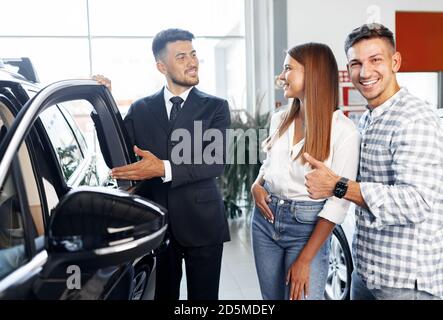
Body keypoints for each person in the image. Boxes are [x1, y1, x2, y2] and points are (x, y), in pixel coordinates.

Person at [303, 23, 443, 300]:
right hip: (369, 274)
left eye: (375, 60)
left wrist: (338, 186)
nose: (365, 72)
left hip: (406, 283)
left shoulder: (414, 119)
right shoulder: (370, 118)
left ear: (395, 62)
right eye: (356, 63)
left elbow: (417, 201)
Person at [110, 28, 231, 300]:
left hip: (203, 224)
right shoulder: (141, 108)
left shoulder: (215, 107)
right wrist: (104, 104)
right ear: (161, 66)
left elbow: (214, 162)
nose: (192, 62)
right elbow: (120, 158)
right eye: (181, 57)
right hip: (159, 224)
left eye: (193, 54)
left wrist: (162, 168)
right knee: (164, 295)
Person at [251, 42, 360, 300]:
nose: (281, 76)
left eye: (288, 68)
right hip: (265, 222)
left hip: (308, 228)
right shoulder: (279, 119)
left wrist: (305, 260)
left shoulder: (345, 132)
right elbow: (269, 165)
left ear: (312, 74)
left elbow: (337, 205)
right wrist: (257, 184)